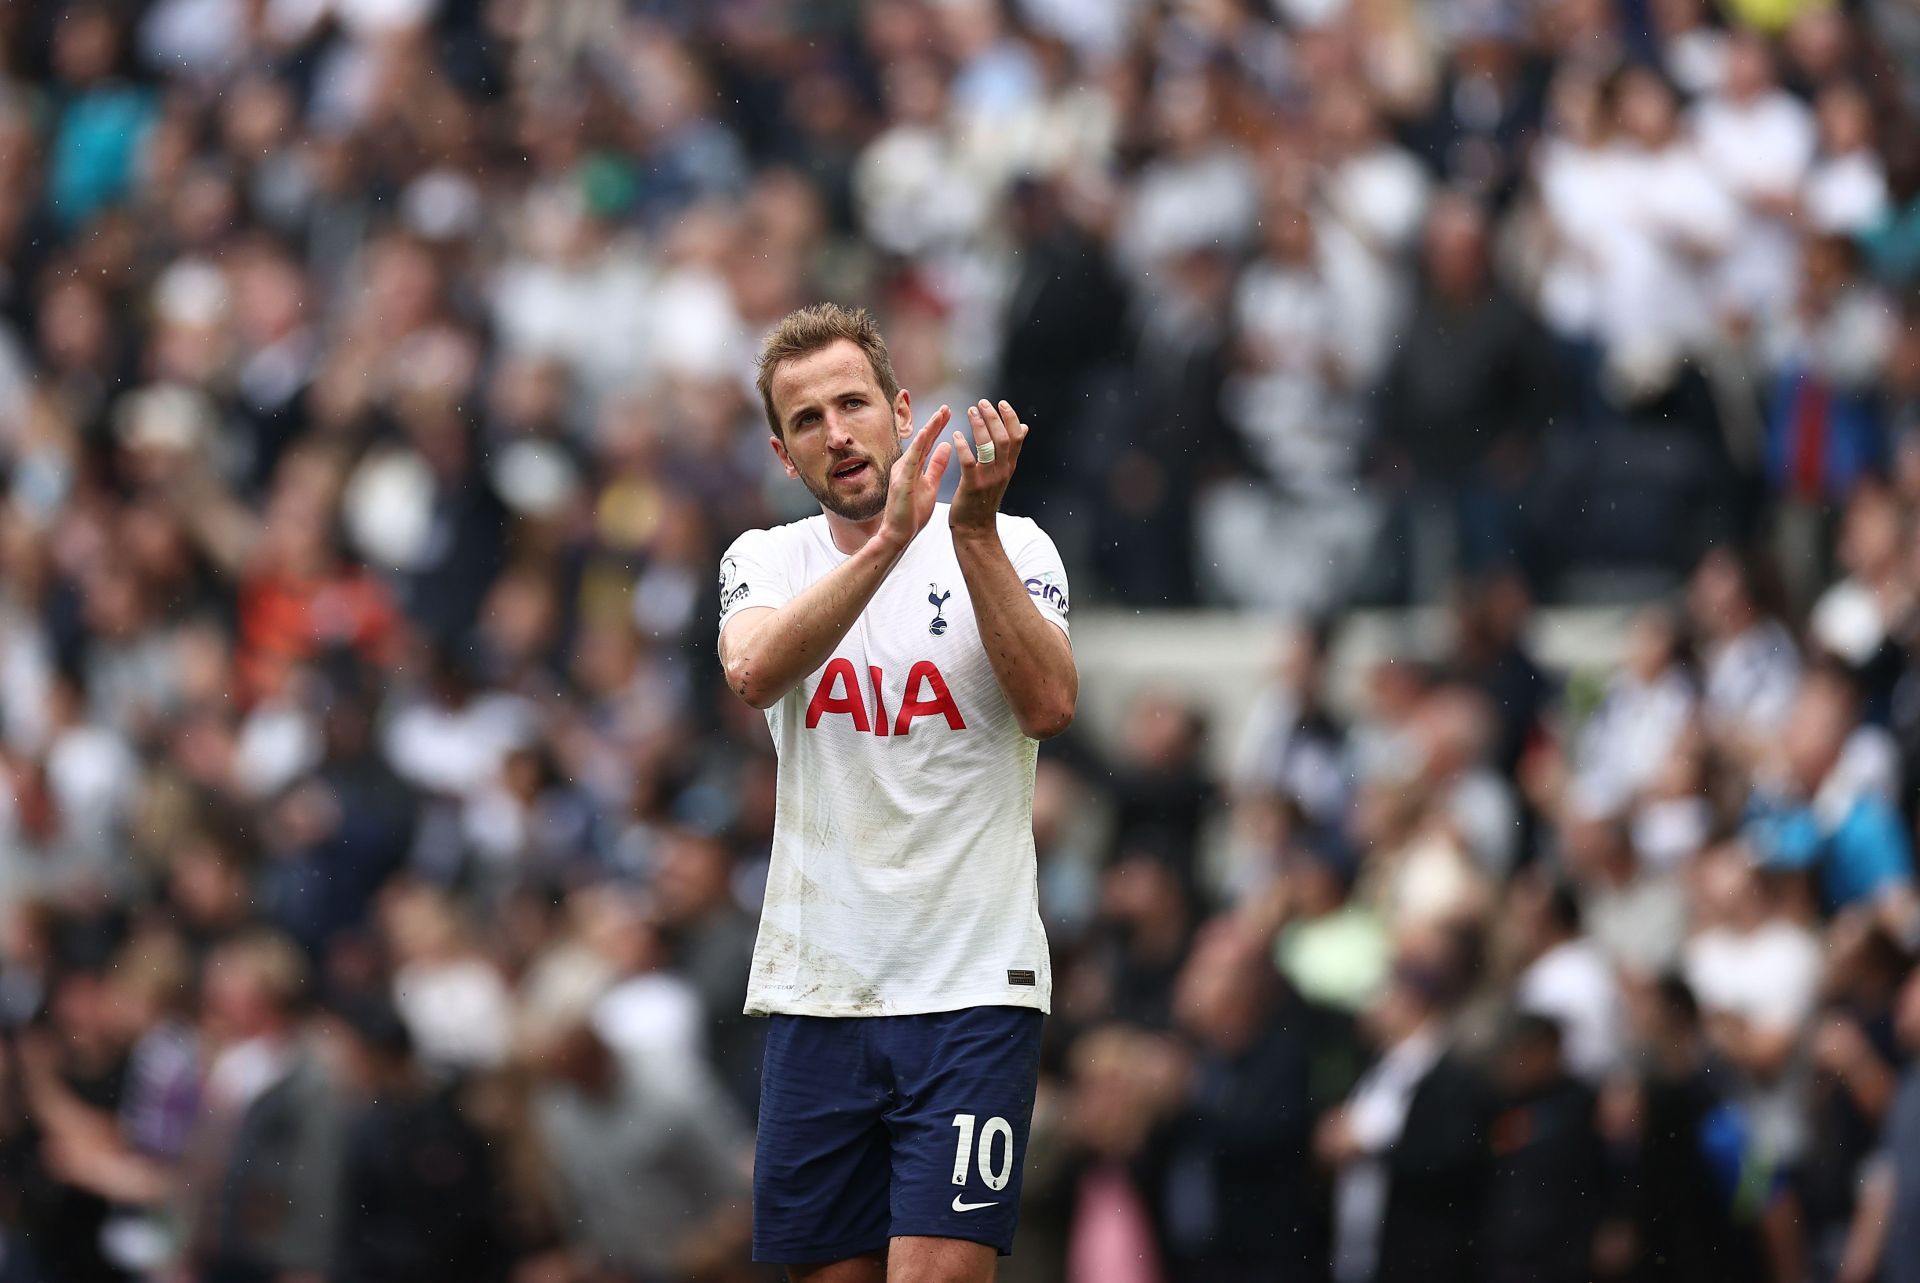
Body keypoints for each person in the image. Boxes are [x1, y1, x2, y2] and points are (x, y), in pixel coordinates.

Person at [717, 302, 1078, 1281]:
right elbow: (752, 672)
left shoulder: (1015, 545)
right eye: (805, 420)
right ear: (783, 452)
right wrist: (885, 545)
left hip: (970, 990)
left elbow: (1049, 701)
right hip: (817, 988)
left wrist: (969, 532)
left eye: (852, 402)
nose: (835, 433)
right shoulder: (765, 560)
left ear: (901, 409)